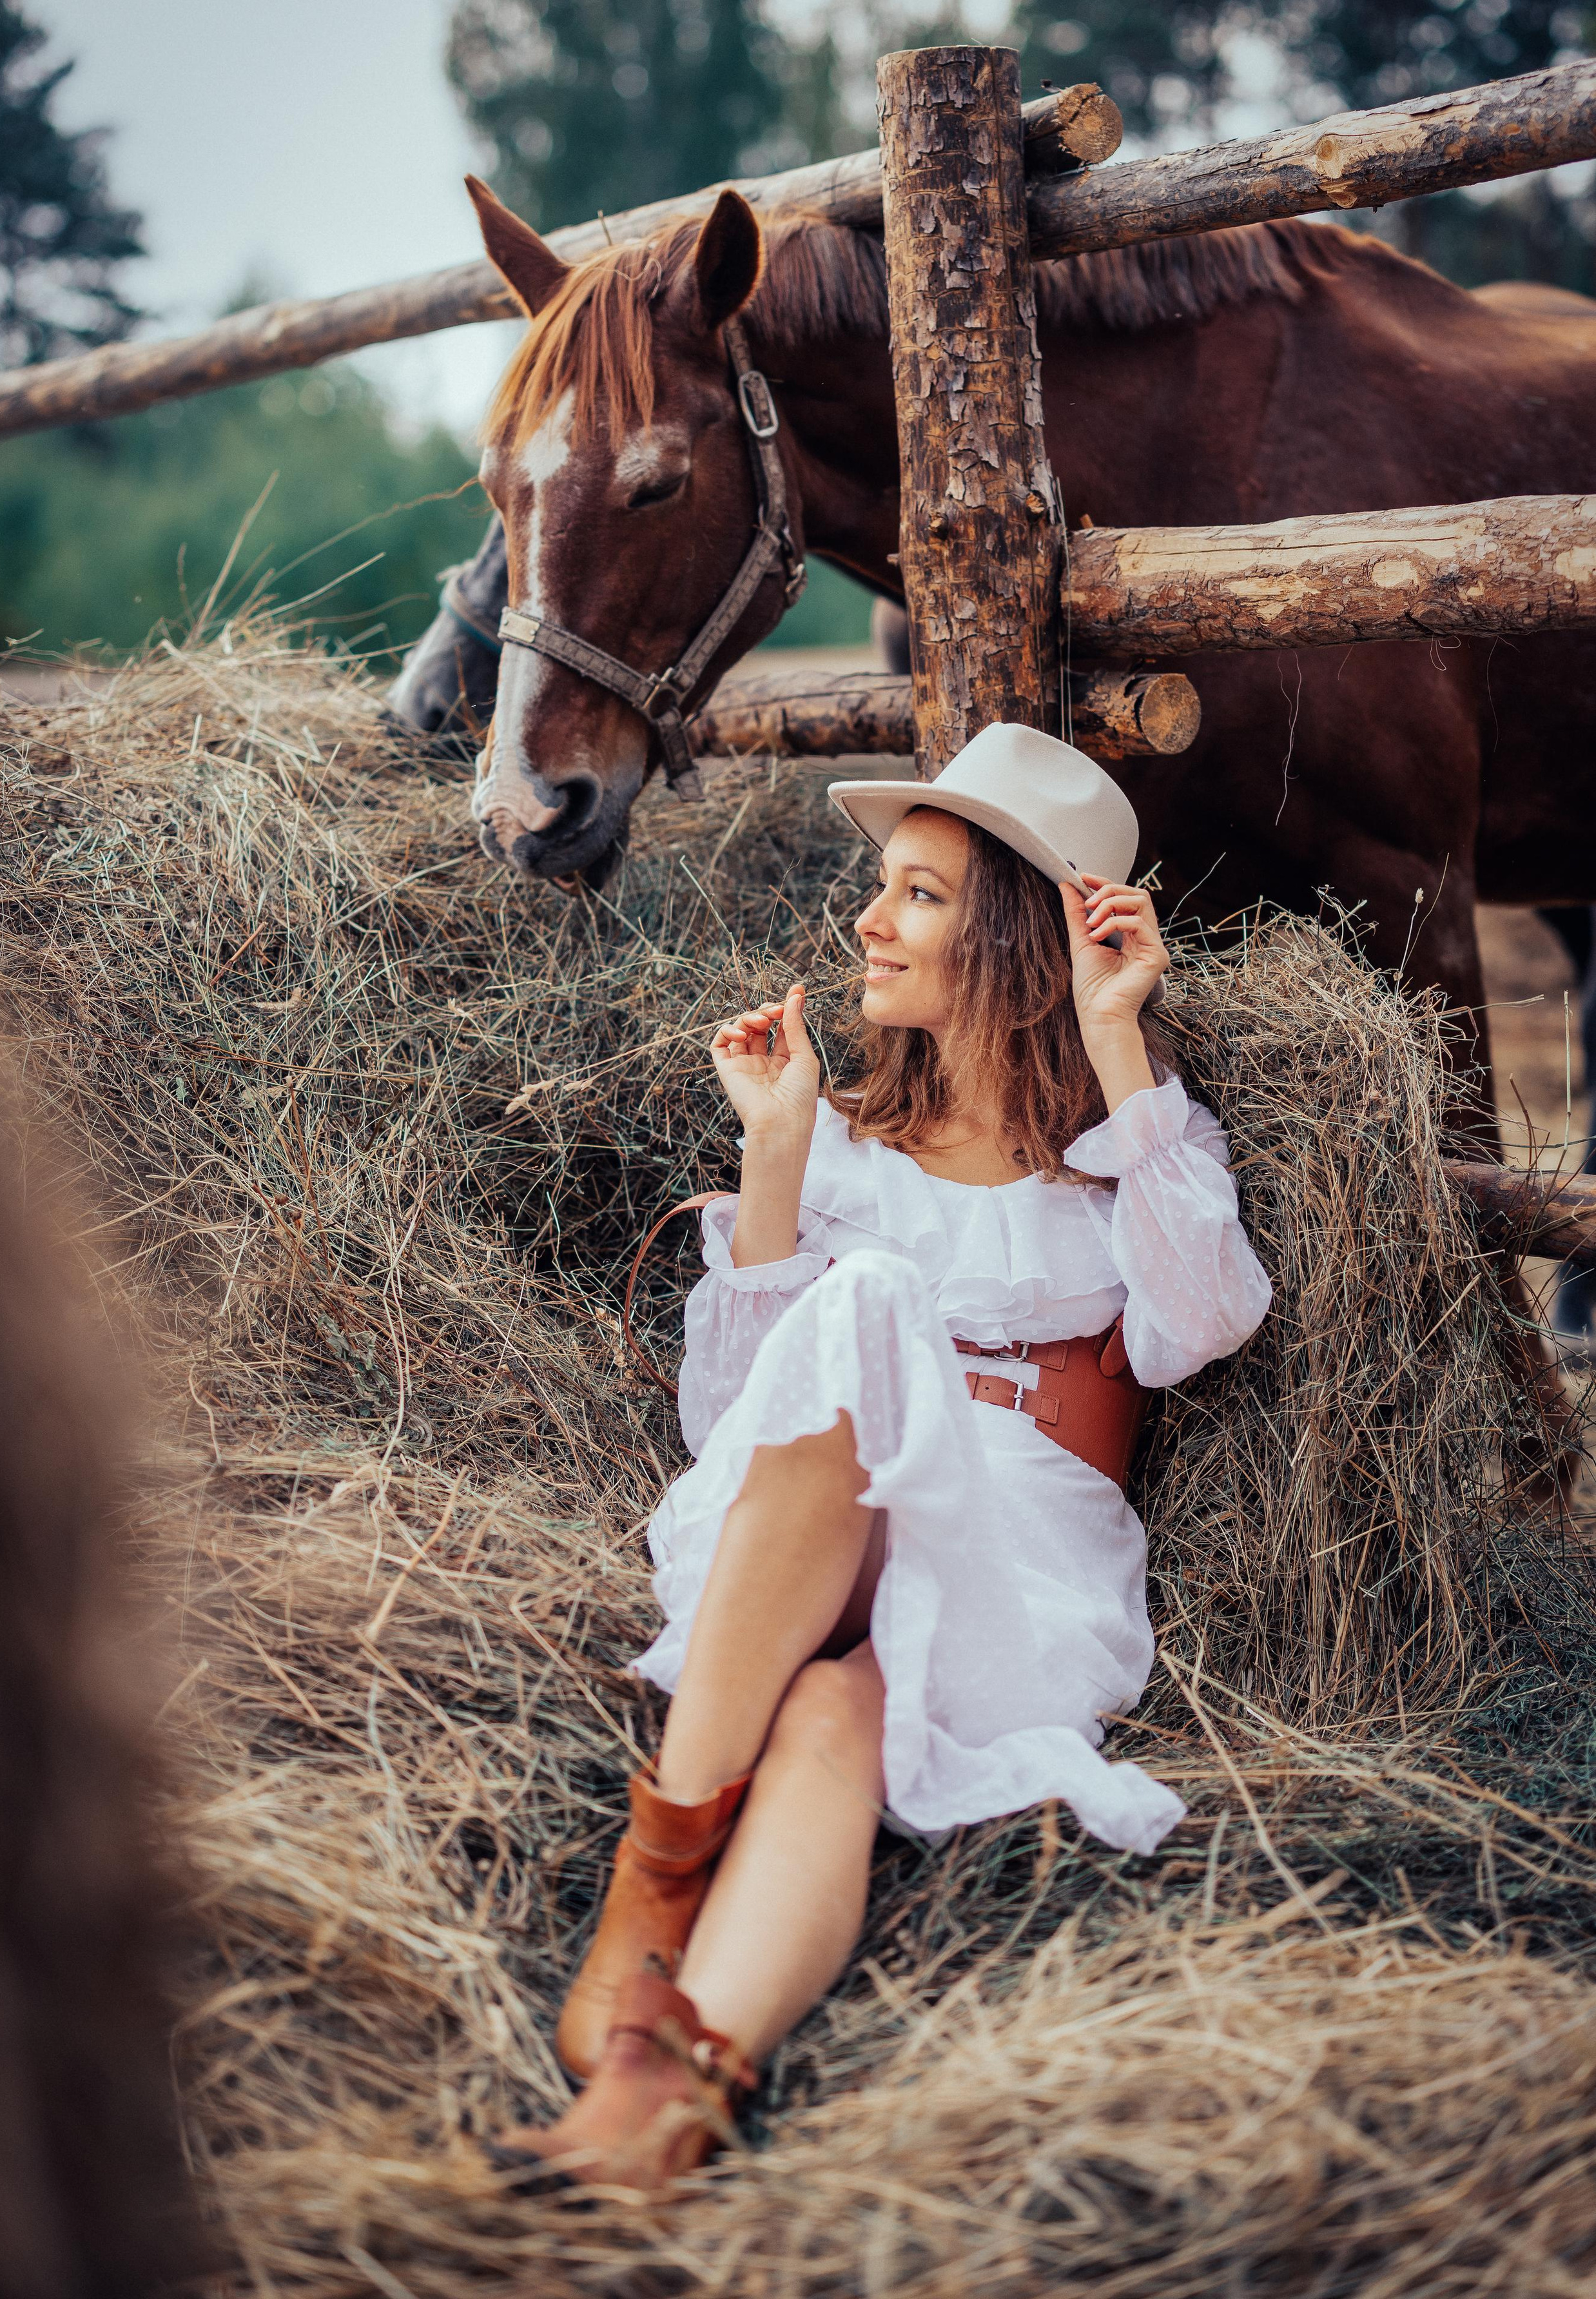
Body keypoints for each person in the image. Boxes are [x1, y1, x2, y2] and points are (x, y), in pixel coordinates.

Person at [495, 723, 1272, 2191]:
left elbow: (1204, 1323)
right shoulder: (844, 1142)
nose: (867, 918)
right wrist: (777, 1160)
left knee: (833, 1722)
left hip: (1013, 1550)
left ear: (1013, 933)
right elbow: (732, 1426)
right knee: (854, 1305)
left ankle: (667, 2083)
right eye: (884, 887)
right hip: (821, 1522)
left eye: (917, 892)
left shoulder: (1129, 1154)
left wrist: (1118, 1043)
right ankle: (647, 1910)